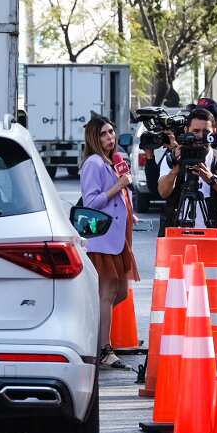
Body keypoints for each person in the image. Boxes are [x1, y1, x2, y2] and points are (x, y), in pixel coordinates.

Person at [78, 116, 135, 369]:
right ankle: (104, 348)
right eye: (103, 134)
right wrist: (118, 187)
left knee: (118, 292)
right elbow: (91, 202)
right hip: (102, 237)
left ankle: (92, 337)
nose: (109, 138)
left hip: (117, 236)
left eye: (111, 132)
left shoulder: (112, 161)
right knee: (108, 292)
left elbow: (119, 196)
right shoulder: (93, 163)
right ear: (93, 138)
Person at [154, 105, 217, 229]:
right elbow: (163, 192)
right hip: (178, 235)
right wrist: (176, 169)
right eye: (195, 131)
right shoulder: (172, 158)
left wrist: (212, 179)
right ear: (186, 130)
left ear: (214, 132)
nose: (200, 136)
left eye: (206, 132)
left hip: (215, 235)